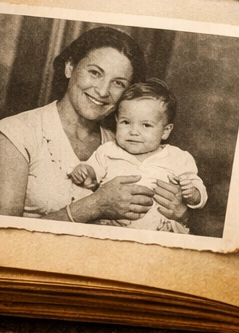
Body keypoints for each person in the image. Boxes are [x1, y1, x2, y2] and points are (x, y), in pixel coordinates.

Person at [0, 26, 187, 228]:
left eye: (118, 83)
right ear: (70, 67)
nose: (103, 91)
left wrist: (178, 213)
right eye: (95, 73)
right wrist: (94, 205)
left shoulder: (125, 143)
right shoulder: (14, 135)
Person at [70, 80, 207, 234]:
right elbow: (91, 174)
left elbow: (197, 188)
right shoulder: (108, 151)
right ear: (116, 121)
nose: (133, 131)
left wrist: (193, 194)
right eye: (126, 122)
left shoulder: (178, 158)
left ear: (165, 131)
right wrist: (85, 173)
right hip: (111, 230)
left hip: (161, 234)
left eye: (146, 125)